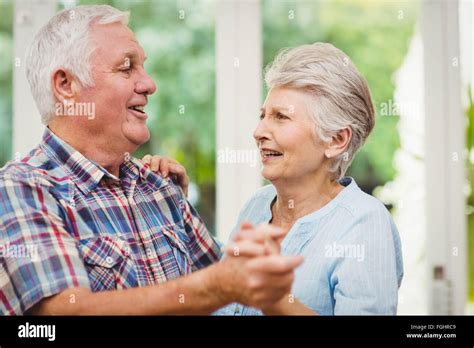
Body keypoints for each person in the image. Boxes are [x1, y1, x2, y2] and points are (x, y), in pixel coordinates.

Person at [0, 5, 303, 315]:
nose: (149, 84)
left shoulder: (158, 185)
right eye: (126, 67)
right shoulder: (21, 188)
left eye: (143, 67)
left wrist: (255, 267)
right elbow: (65, 313)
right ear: (66, 85)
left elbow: (235, 296)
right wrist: (217, 285)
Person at [148, 42, 404, 315]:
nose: (258, 131)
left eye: (281, 117)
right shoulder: (258, 205)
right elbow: (221, 289)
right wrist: (176, 207)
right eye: (263, 115)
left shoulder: (364, 222)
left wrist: (276, 301)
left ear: (337, 140)